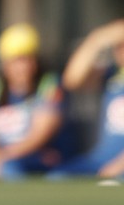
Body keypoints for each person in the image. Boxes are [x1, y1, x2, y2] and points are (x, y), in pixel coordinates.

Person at [0, 23, 66, 180]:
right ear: (4, 63)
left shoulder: (48, 85)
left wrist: (0, 158)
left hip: (32, 157)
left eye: (26, 60)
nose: (22, 68)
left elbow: (39, 135)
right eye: (15, 61)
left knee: (10, 170)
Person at [47, 19, 124, 180]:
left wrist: (119, 164)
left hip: (118, 166)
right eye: (118, 46)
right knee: (58, 177)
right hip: (100, 160)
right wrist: (96, 39)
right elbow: (72, 80)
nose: (121, 51)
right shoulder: (111, 76)